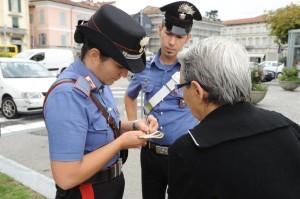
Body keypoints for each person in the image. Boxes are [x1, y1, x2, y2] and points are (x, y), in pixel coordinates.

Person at [43, 5, 158, 199]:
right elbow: (66, 176)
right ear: (95, 56)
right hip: (87, 192)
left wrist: (132, 126)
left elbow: (101, 129)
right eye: (120, 66)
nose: (124, 74)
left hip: (107, 187)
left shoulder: (98, 83)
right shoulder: (68, 95)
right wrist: (120, 144)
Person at [168, 36, 300, 199]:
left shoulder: (189, 151)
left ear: (197, 90)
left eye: (181, 87)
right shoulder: (286, 125)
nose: (182, 96)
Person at [125, 1, 201, 198]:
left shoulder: (193, 70)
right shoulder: (144, 68)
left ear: (188, 38)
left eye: (179, 37)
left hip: (184, 155)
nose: (172, 42)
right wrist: (135, 125)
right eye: (168, 34)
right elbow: (129, 96)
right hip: (150, 154)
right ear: (160, 29)